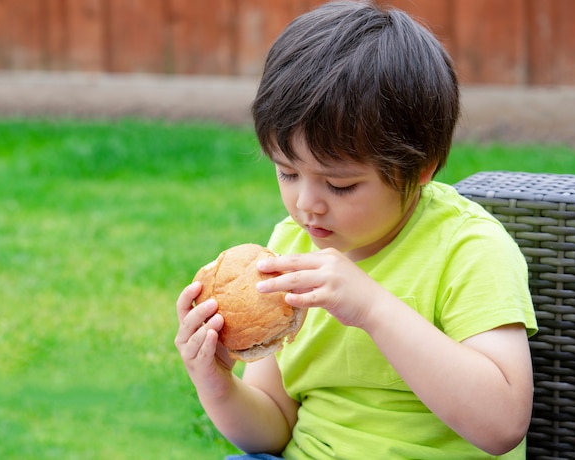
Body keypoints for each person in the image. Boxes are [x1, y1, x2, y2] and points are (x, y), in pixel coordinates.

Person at [175, 1, 538, 458]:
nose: (306, 204)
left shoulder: (468, 248)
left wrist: (371, 308)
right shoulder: (290, 245)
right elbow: (272, 428)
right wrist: (216, 384)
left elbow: (501, 423)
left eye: (340, 184)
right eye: (288, 173)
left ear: (419, 168)